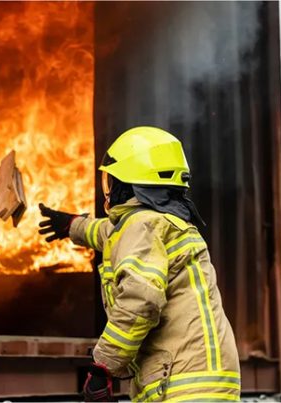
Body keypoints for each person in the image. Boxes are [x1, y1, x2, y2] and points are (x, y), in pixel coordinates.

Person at [38, 127, 240, 402]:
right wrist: (73, 225)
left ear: (128, 184)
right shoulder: (161, 223)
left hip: (182, 383)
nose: (109, 189)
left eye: (112, 181)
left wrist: (102, 367)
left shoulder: (141, 225)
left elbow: (140, 300)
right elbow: (110, 234)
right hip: (206, 379)